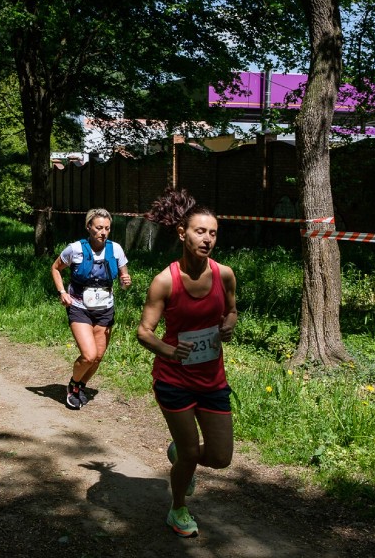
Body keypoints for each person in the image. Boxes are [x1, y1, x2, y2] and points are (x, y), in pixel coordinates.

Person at [135, 189, 238, 539]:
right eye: (200, 231)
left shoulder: (225, 275)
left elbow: (232, 310)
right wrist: (167, 350)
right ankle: (178, 507)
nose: (207, 239)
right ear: (182, 233)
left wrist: (230, 322)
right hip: (174, 380)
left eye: (213, 233)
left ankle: (181, 454)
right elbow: (144, 332)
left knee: (221, 457)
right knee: (193, 453)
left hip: (212, 379)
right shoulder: (165, 281)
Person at [50, 208, 131, 410]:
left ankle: (80, 386)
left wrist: (125, 282)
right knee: (88, 355)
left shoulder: (116, 250)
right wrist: (62, 292)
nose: (103, 232)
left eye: (107, 228)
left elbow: (123, 278)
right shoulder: (75, 249)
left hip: (105, 309)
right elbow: (55, 268)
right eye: (99, 228)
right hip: (79, 307)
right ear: (89, 227)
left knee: (98, 357)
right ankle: (72, 385)